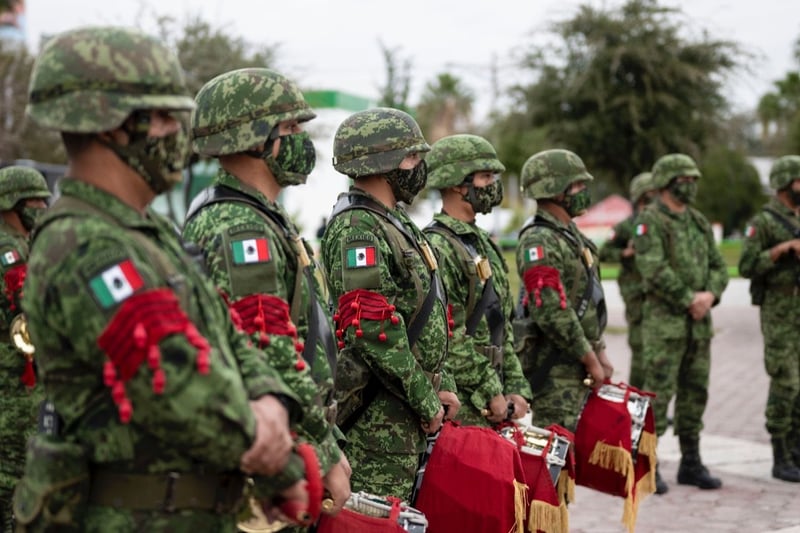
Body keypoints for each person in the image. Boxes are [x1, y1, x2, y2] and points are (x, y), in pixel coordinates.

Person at [13, 26, 311, 532]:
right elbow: (172, 382)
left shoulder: (149, 232)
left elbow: (226, 333)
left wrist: (272, 400)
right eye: (167, 118)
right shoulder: (85, 244)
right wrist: (280, 461)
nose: (180, 133)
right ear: (115, 126)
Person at [183, 67, 351, 514]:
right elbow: (267, 347)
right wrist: (324, 450)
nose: (302, 138)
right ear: (255, 138)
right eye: (291, 127)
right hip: (273, 451)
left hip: (295, 435)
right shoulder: (240, 227)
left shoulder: (262, 215)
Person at [321, 107, 460, 500]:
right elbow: (371, 330)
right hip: (376, 420)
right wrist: (424, 395)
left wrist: (441, 384)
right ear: (383, 162)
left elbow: (426, 314)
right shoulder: (357, 228)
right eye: (413, 157)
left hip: (402, 415)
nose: (420, 167)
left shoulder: (393, 221)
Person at [634, 153, 728, 494]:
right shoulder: (649, 221)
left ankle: (691, 462)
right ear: (666, 183)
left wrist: (710, 295)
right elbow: (653, 269)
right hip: (665, 327)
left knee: (695, 394)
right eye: (684, 179)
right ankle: (648, 467)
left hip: (699, 326)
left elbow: (719, 266)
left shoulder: (699, 222)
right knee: (658, 399)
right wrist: (690, 298)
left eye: (693, 179)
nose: (690, 185)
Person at [422, 134, 532, 426]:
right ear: (458, 183)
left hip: (494, 399)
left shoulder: (480, 242)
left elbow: (501, 323)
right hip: (464, 402)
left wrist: (516, 386)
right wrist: (489, 389)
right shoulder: (439, 246)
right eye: (485, 176)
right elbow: (447, 336)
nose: (493, 185)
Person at [514, 149, 612, 431]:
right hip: (556, 372)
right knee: (560, 460)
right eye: (578, 185)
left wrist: (599, 352)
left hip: (578, 363)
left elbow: (588, 302)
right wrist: (591, 358)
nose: (584, 191)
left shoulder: (569, 235)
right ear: (556, 190)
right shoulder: (539, 240)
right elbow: (551, 311)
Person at [738, 155, 800, 483]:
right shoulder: (763, 222)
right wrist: (782, 249)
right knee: (785, 381)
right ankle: (780, 453)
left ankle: (796, 448)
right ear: (787, 183)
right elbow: (747, 265)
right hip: (779, 311)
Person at [0, 165, 50, 531]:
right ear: (12, 204)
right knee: (13, 475)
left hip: (22, 383)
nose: (44, 207)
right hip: (13, 385)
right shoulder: (9, 252)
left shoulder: (24, 245)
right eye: (37, 200)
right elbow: (26, 311)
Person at [599, 171, 658, 389]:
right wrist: (625, 253)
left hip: (659, 292)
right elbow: (604, 253)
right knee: (640, 349)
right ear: (640, 196)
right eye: (651, 193)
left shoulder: (661, 224)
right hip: (636, 293)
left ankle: (655, 403)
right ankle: (636, 400)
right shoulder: (626, 226)